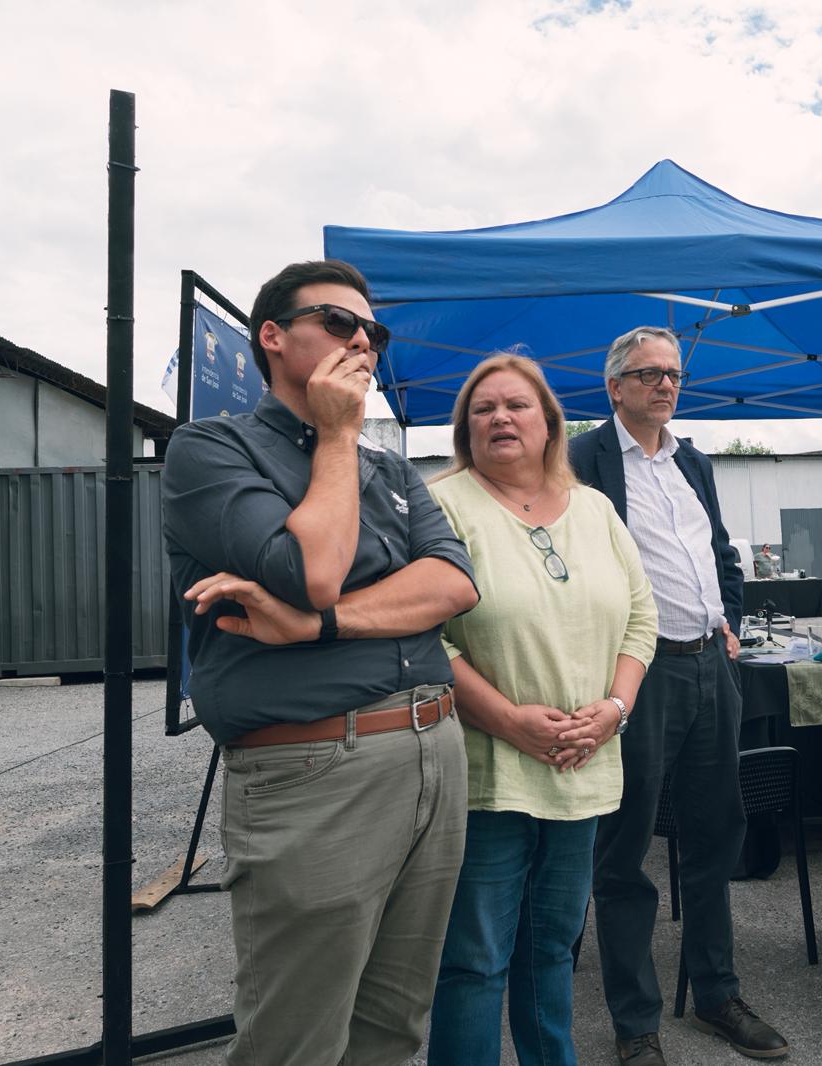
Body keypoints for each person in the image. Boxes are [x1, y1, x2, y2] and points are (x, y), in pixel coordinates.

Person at [162, 259, 479, 1066]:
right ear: (273, 336)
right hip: (313, 765)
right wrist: (338, 434)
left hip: (432, 752)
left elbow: (452, 584)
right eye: (339, 324)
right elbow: (314, 569)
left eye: (374, 332)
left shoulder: (390, 467)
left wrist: (316, 627)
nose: (363, 342)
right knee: (295, 1040)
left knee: (393, 1027)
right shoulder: (211, 448)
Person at [424, 354, 658, 1066]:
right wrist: (507, 720)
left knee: (551, 949)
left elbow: (641, 619)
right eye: (483, 408)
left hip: (582, 765)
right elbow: (425, 638)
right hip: (491, 774)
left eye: (517, 405)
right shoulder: (441, 505)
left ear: (550, 423)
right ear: (466, 428)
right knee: (475, 959)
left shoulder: (595, 509)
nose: (500, 417)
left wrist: (614, 709)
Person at [570, 326, 789, 1064]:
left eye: (673, 373)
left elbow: (719, 550)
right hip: (638, 672)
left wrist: (730, 622)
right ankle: (636, 1023)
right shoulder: (582, 461)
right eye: (648, 374)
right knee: (624, 849)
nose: (665, 384)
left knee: (714, 836)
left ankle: (717, 994)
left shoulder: (692, 460)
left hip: (709, 667)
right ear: (614, 387)